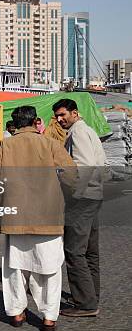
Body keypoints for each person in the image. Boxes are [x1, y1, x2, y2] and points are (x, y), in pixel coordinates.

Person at [0, 105, 77, 331]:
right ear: (36, 121)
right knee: (50, 269)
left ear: (14, 124)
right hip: (48, 217)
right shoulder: (50, 144)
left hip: (15, 218)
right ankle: (48, 318)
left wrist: (5, 196)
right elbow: (71, 174)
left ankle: (17, 314)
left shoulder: (4, 145)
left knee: (14, 269)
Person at [53, 99, 107, 317]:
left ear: (75, 113)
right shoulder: (88, 131)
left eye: (63, 115)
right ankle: (91, 295)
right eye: (57, 116)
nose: (59, 119)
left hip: (82, 199)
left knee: (74, 251)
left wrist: (75, 195)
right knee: (90, 251)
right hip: (93, 196)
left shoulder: (78, 133)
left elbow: (83, 167)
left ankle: (85, 304)